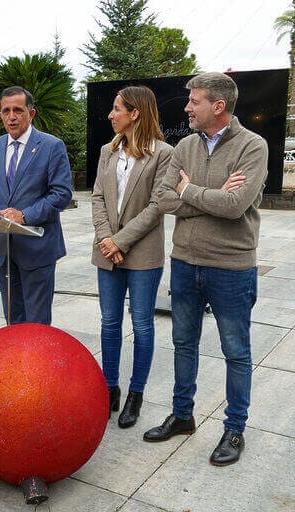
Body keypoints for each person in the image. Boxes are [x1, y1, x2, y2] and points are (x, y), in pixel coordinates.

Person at [143, 72, 267, 467]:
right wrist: (208, 196)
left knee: (236, 351)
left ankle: (234, 428)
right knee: (183, 343)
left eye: (193, 101)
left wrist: (188, 191)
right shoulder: (184, 146)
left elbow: (236, 207)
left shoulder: (253, 146)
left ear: (217, 106)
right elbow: (162, 198)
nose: (186, 108)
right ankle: (182, 416)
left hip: (231, 268)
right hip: (185, 262)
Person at [91, 86, 172, 427]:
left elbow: (158, 205)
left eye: (117, 109)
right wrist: (107, 239)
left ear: (135, 112)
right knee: (109, 323)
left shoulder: (164, 153)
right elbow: (97, 198)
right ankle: (110, 388)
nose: (111, 115)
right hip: (108, 252)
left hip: (142, 253)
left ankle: (136, 394)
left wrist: (121, 241)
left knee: (141, 325)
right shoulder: (107, 151)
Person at [0, 86, 72, 325]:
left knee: (36, 324)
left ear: (32, 113)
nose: (11, 116)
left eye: (18, 110)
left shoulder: (51, 146)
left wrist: (25, 216)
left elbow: (61, 193)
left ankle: (37, 364)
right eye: (6, 110)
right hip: (3, 250)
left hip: (36, 248)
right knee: (13, 321)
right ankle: (17, 364)